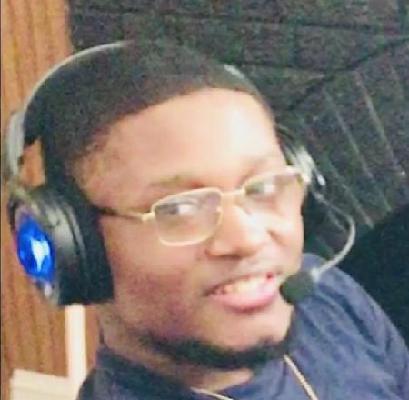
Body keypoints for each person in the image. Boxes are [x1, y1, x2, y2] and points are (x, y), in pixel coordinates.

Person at [5, 39, 409, 400]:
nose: (247, 238)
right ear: (77, 250)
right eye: (179, 208)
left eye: (263, 187)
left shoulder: (326, 298)